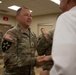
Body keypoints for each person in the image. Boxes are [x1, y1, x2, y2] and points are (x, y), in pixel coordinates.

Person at [1, 6, 45, 75]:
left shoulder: (33, 35)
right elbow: (9, 61)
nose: (29, 17)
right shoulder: (11, 34)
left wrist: (39, 61)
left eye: (30, 15)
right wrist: (34, 61)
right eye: (26, 15)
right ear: (17, 17)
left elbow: (33, 54)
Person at [43, 0, 76, 75]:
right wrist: (51, 57)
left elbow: (66, 68)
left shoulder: (66, 17)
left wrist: (48, 74)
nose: (59, 5)